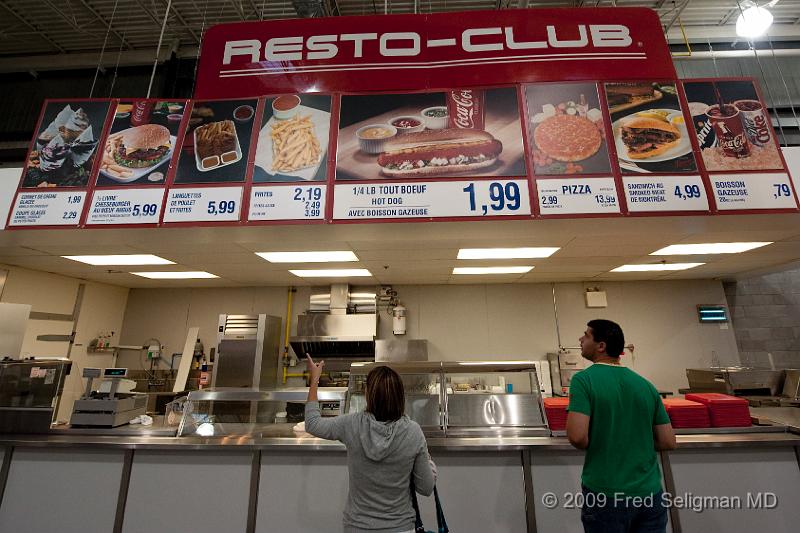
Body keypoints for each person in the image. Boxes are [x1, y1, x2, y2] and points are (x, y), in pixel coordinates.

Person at [566, 319, 677, 533]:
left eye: (586, 335)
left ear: (601, 346)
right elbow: (667, 440)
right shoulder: (645, 385)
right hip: (650, 494)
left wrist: (604, 438)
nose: (580, 339)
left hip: (605, 494)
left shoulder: (583, 381)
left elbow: (577, 437)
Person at [305, 355, 436, 533]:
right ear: (400, 396)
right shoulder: (413, 432)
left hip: (358, 527)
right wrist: (429, 463)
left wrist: (315, 379)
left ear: (368, 395)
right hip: (400, 527)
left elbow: (312, 423)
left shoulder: (351, 424)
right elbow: (426, 488)